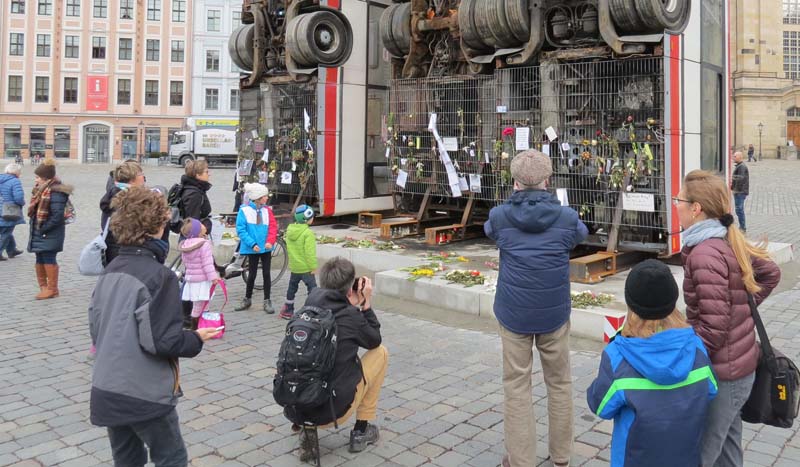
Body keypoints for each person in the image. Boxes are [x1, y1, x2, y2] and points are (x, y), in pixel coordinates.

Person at [89, 187, 220, 467]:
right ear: (157, 228)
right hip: (143, 392)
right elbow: (163, 341)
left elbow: (96, 328)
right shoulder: (160, 277)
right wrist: (195, 338)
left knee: (127, 459)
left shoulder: (110, 270)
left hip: (107, 386)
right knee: (171, 458)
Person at [483, 149, 588, 467]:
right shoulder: (567, 217)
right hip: (554, 312)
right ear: (547, 180)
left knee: (516, 384)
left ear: (514, 182)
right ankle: (561, 456)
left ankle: (520, 460)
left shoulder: (500, 216)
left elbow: (491, 234)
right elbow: (578, 237)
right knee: (559, 382)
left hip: (513, 312)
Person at [676, 170, 781, 467]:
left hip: (723, 374)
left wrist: (683, 364)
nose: (676, 205)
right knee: (728, 448)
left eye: (679, 200)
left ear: (696, 209)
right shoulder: (723, 238)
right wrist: (739, 310)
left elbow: (713, 329)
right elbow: (771, 273)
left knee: (702, 454)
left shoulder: (705, 254)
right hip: (740, 367)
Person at [587, 259, 718, 467]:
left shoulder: (617, 357)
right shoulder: (696, 347)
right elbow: (711, 390)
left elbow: (601, 405)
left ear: (631, 305)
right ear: (672, 301)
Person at [294, 257, 388, 460]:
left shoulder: (307, 307)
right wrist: (366, 304)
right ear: (349, 288)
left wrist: (348, 301)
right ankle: (361, 430)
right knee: (381, 353)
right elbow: (374, 340)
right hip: (334, 411)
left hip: (297, 406)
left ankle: (308, 433)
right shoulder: (351, 316)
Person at [27, 159, 72, 300]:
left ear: (45, 178)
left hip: (49, 232)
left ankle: (52, 288)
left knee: (48, 257)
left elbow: (57, 215)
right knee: (39, 256)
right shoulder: (42, 190)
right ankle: (43, 287)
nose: (36, 179)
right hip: (40, 230)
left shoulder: (55, 192)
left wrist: (44, 228)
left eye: (38, 177)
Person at [235, 183, 278, 313]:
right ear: (258, 197)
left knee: (266, 273)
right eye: (265, 196)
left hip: (265, 248)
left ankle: (267, 300)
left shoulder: (267, 211)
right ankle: (247, 298)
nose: (267, 197)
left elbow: (272, 227)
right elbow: (241, 230)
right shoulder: (244, 211)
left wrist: (270, 241)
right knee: (251, 274)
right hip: (252, 248)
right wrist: (252, 244)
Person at [100, 161, 146, 264]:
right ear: (132, 179)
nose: (143, 177)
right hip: (123, 250)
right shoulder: (124, 198)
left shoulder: (116, 193)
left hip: (115, 247)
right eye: (140, 174)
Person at [179, 218, 221, 330]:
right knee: (199, 305)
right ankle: (196, 327)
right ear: (198, 231)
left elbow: (185, 262)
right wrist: (214, 277)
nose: (203, 225)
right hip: (202, 280)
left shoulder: (186, 244)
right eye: (201, 225)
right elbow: (208, 264)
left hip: (191, 279)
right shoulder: (204, 245)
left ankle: (202, 324)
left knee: (200, 303)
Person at [279, 204, 318, 319]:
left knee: (292, 288)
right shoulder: (308, 233)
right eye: (312, 217)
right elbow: (309, 253)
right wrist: (313, 267)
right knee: (313, 290)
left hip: (295, 267)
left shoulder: (290, 231)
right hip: (306, 268)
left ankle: (288, 310)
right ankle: (312, 311)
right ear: (307, 219)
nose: (313, 219)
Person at [0, 163, 25, 261]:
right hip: (9, 210)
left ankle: (11, 250)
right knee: (6, 231)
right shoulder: (15, 181)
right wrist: (22, 203)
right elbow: (18, 197)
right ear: (17, 172)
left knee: (6, 229)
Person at [180, 160, 213, 234]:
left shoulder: (197, 189)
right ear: (198, 175)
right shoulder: (194, 194)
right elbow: (192, 222)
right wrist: (206, 225)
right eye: (206, 172)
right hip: (194, 237)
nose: (209, 174)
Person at [731, 151, 750, 233]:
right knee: (738, 209)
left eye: (735, 156)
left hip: (740, 192)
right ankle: (742, 227)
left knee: (739, 209)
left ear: (740, 157)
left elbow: (740, 179)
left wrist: (735, 190)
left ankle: (742, 227)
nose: (733, 157)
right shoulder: (739, 166)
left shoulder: (741, 167)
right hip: (739, 191)